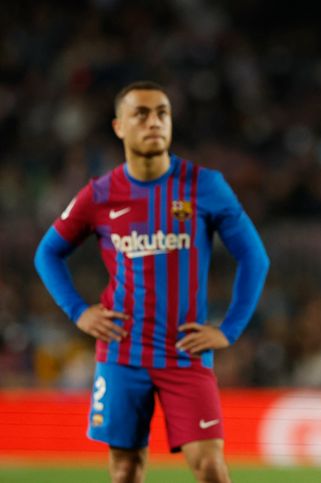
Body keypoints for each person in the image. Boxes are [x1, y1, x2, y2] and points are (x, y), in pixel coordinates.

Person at [34, 81, 270, 483]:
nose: (154, 122)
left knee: (211, 467)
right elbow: (47, 254)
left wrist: (229, 329)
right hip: (123, 353)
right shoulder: (100, 194)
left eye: (162, 112)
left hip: (185, 352)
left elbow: (255, 257)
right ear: (119, 127)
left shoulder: (205, 186)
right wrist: (78, 310)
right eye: (140, 114)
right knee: (125, 470)